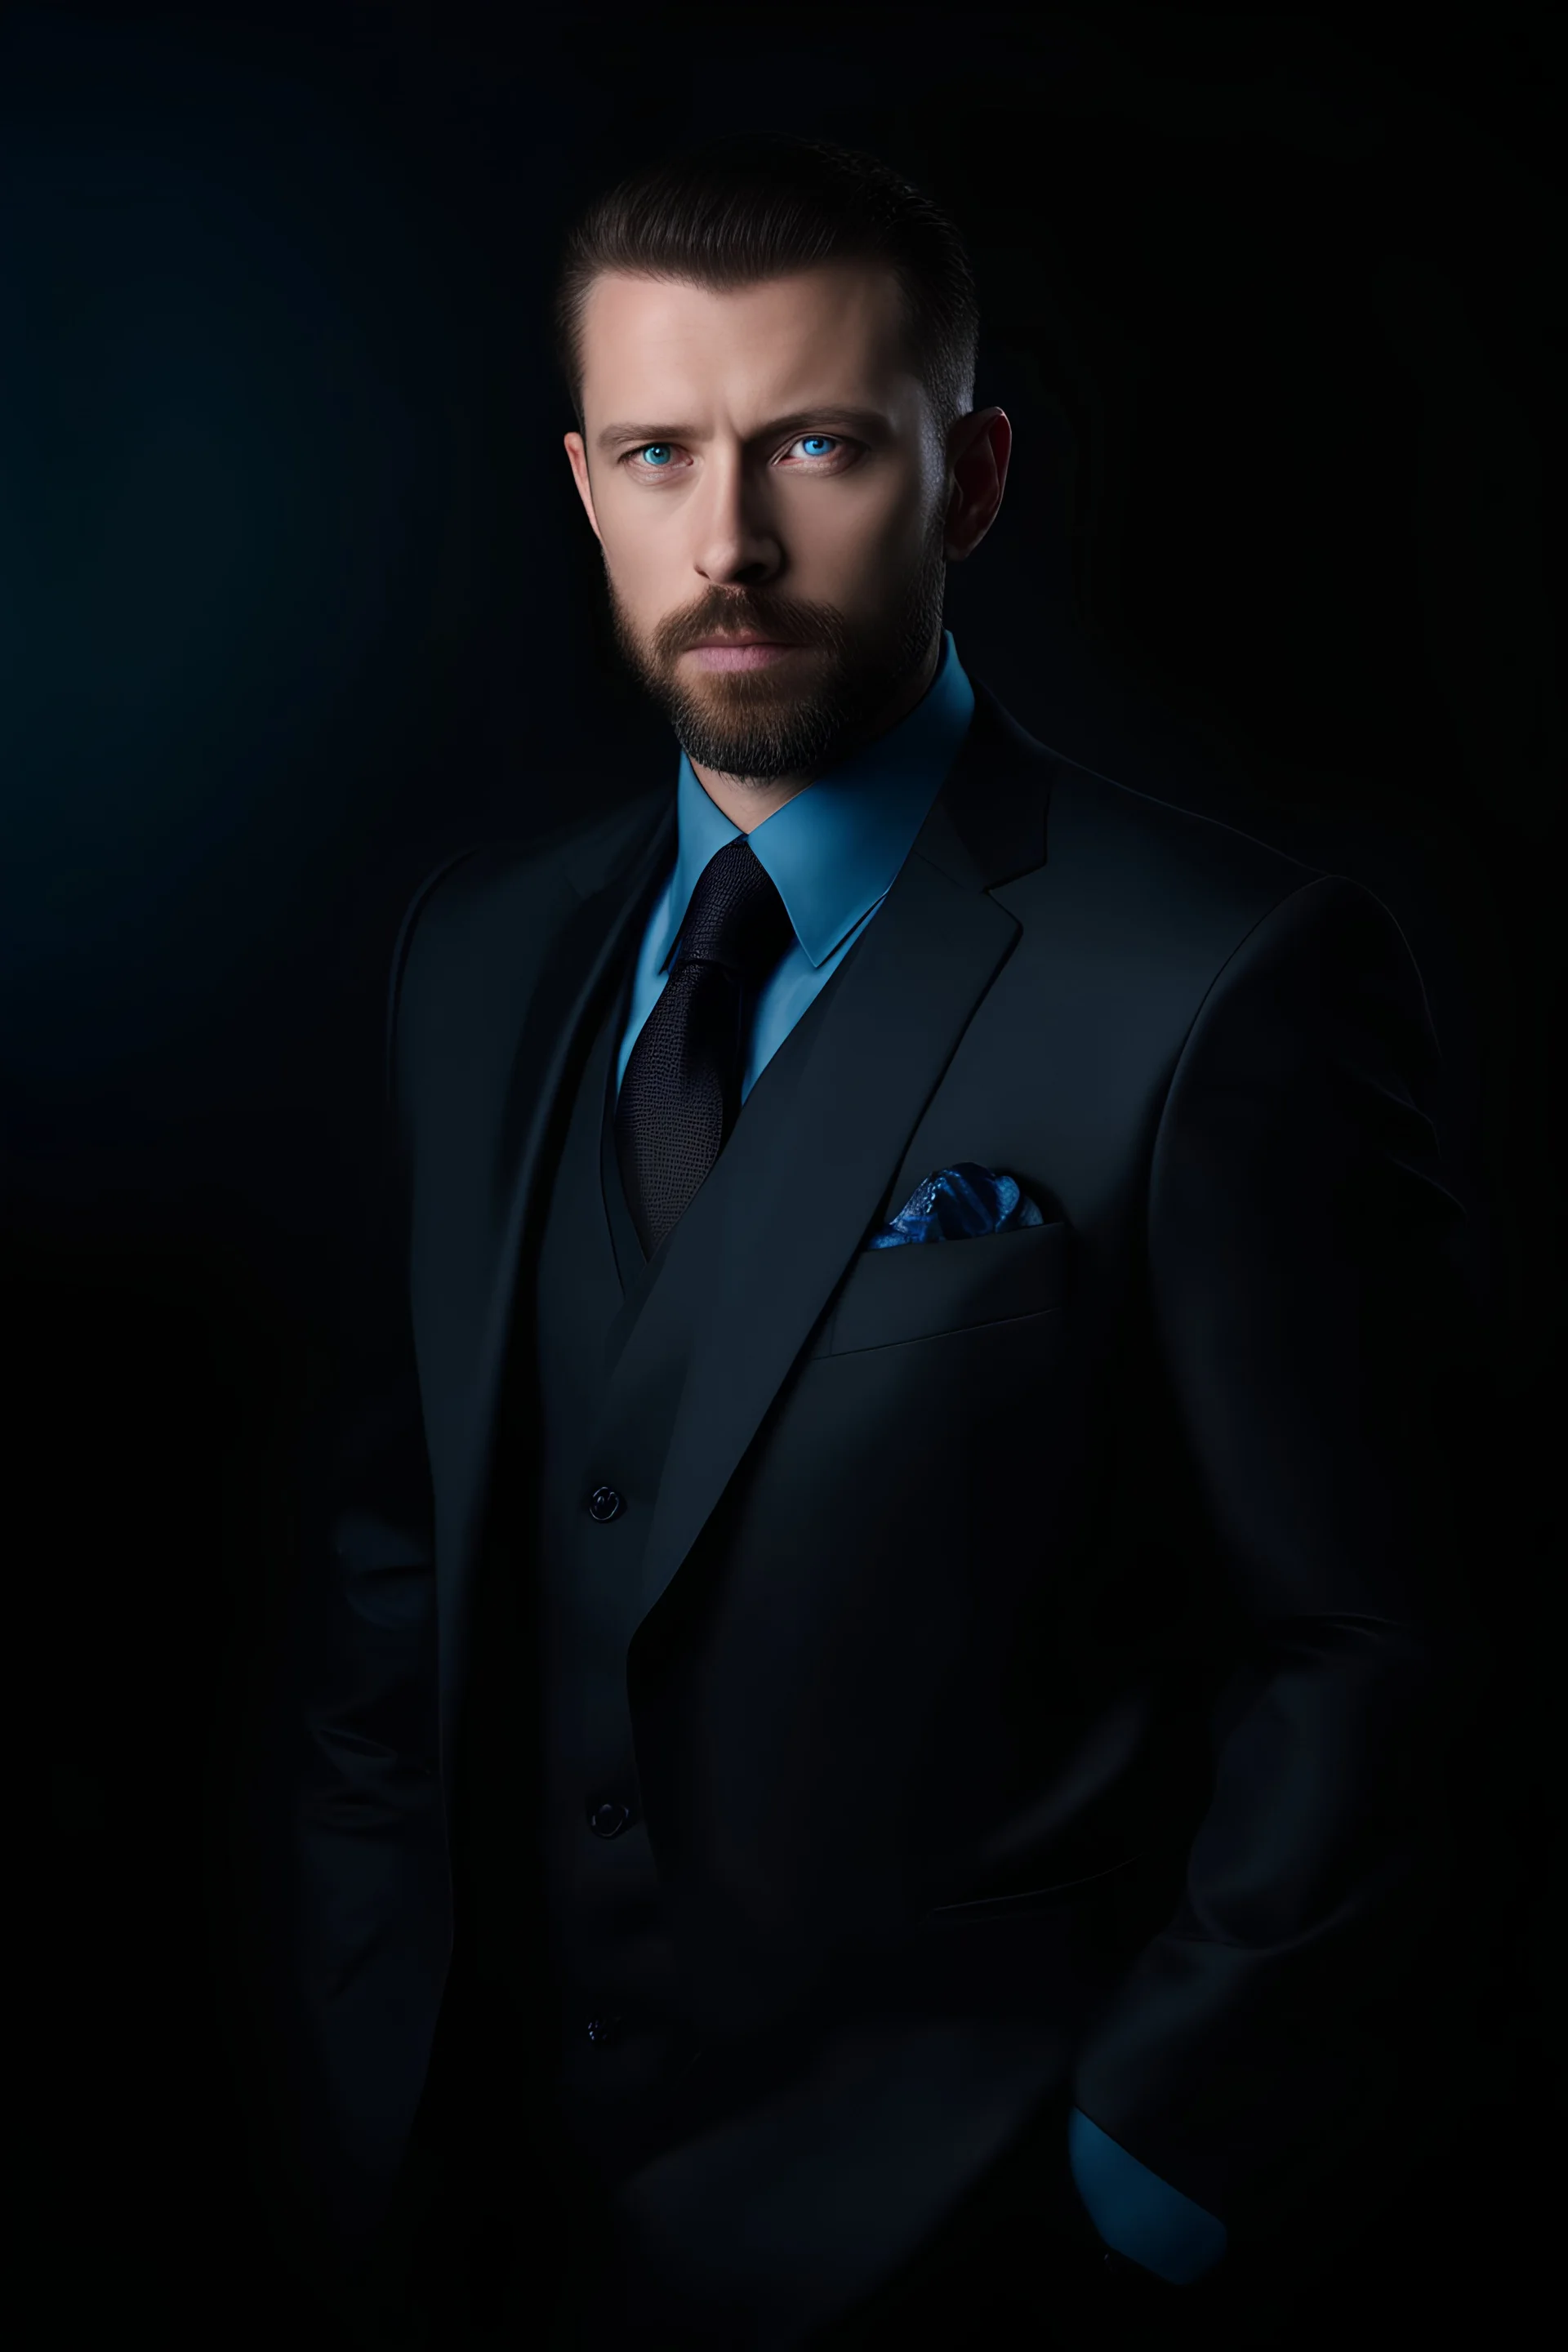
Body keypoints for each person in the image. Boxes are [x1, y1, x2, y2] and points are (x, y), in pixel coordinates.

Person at [285, 133, 1480, 2350]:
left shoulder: (1224, 978)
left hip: (985, 2250)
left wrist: (1147, 2168)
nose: (727, 541)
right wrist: (373, 2024)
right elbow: (402, 1564)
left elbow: (1391, 1647)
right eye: (661, 454)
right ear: (583, 485)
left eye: (818, 446)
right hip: (483, 2231)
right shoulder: (474, 959)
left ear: (974, 475)